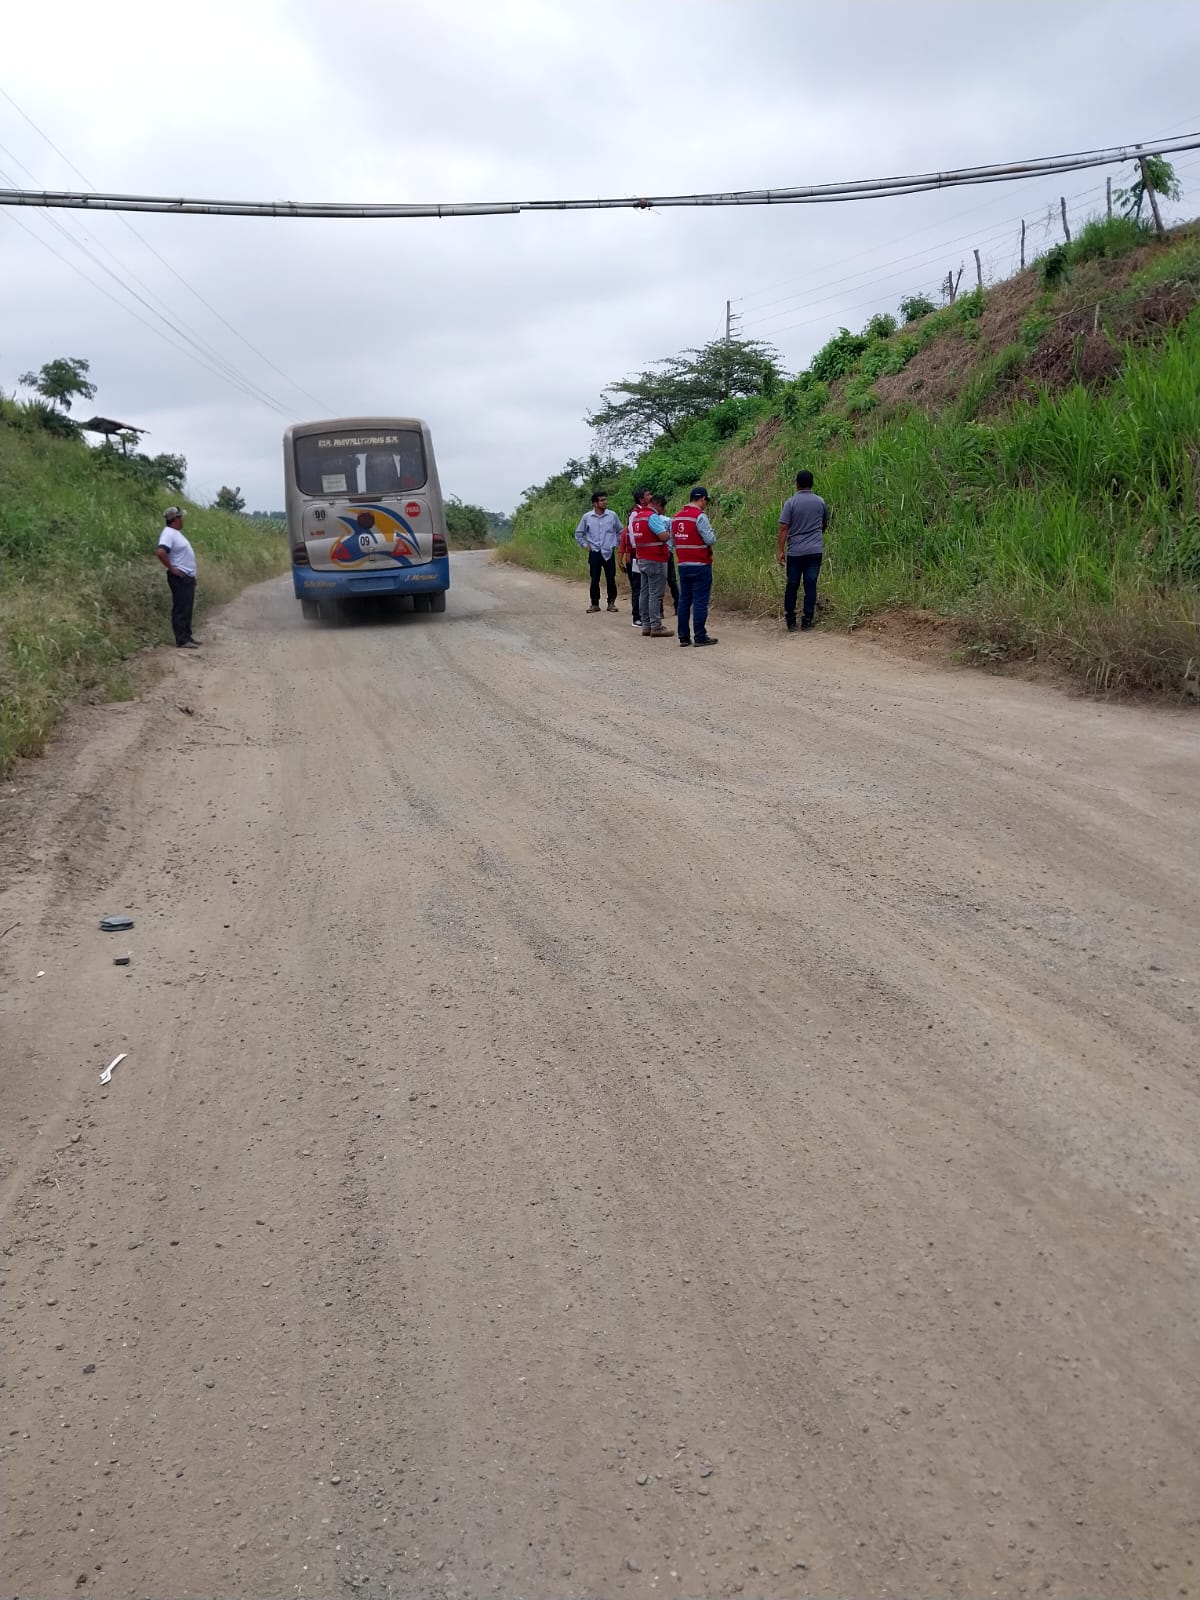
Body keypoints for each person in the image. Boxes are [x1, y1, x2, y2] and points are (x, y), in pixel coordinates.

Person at [777, 469, 830, 631]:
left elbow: (783, 527)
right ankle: (807, 620)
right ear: (812, 484)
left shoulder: (790, 503)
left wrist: (780, 550)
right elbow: (824, 524)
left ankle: (791, 621)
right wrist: (815, 537)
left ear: (797, 484)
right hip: (815, 551)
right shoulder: (820, 502)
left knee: (792, 585)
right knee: (810, 584)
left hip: (795, 552)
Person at [671, 487, 718, 647]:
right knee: (700, 601)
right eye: (706, 501)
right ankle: (700, 636)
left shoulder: (676, 518)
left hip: (683, 565)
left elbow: (672, 542)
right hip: (700, 565)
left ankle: (683, 637)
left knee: (684, 600)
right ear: (702, 499)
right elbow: (710, 539)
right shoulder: (700, 516)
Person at [155, 506, 200, 649]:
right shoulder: (168, 533)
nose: (183, 520)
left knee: (187, 607)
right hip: (179, 577)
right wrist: (173, 569)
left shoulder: (176, 533)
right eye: (181, 517)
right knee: (181, 608)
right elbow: (161, 552)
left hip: (186, 577)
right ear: (175, 519)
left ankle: (187, 636)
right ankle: (181, 639)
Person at [630, 490, 672, 637]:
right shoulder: (652, 517)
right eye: (663, 508)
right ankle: (656, 626)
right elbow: (663, 536)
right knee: (655, 594)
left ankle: (646, 625)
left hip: (642, 559)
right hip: (655, 559)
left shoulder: (637, 517)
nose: (663, 512)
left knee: (644, 592)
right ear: (658, 505)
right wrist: (668, 532)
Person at [574, 490, 623, 612]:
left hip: (608, 552)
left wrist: (616, 543)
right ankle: (594, 604)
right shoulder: (587, 517)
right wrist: (585, 545)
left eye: (605, 499)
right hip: (595, 552)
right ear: (595, 503)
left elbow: (620, 531)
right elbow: (579, 533)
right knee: (594, 579)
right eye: (602, 500)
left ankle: (611, 603)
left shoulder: (612, 515)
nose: (605, 502)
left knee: (611, 578)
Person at [619, 486, 649, 628]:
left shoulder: (645, 511)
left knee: (645, 585)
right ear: (641, 499)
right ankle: (637, 617)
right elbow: (632, 535)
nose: (650, 497)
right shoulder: (634, 513)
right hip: (636, 554)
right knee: (637, 586)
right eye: (648, 495)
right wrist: (638, 550)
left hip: (642, 554)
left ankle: (645, 614)